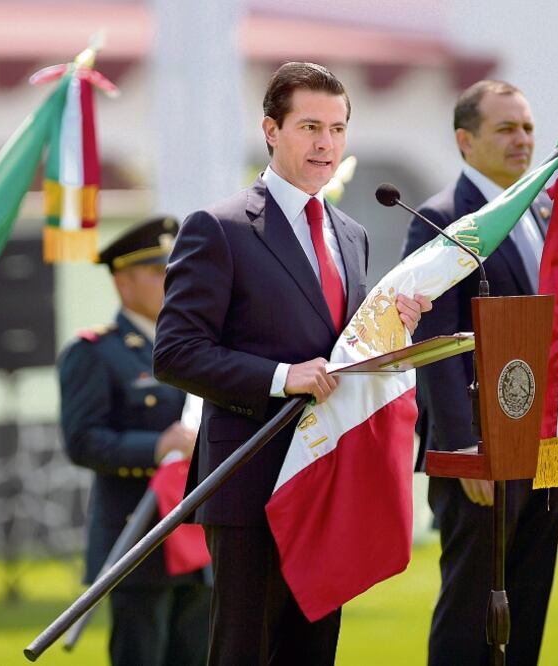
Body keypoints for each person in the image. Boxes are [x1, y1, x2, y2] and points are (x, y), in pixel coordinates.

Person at [153, 62, 430, 665]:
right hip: (250, 481)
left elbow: (342, 353)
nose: (325, 142)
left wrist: (391, 330)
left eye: (336, 128)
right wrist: (281, 379)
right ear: (271, 130)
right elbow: (175, 353)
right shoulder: (219, 228)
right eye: (309, 126)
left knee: (311, 655)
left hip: (327, 479)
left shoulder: (350, 233)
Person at [400, 80, 558, 665]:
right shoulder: (444, 218)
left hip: (542, 451)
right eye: (505, 128)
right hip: (478, 453)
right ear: (465, 140)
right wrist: (462, 444)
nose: (523, 139)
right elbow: (435, 338)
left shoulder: (545, 211)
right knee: (472, 609)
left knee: (528, 608)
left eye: (527, 126)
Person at [59, 215, 210, 666]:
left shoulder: (191, 347)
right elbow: (82, 441)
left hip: (196, 535)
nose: (172, 281)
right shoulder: (94, 353)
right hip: (137, 538)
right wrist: (155, 447)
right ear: (123, 283)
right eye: (159, 272)